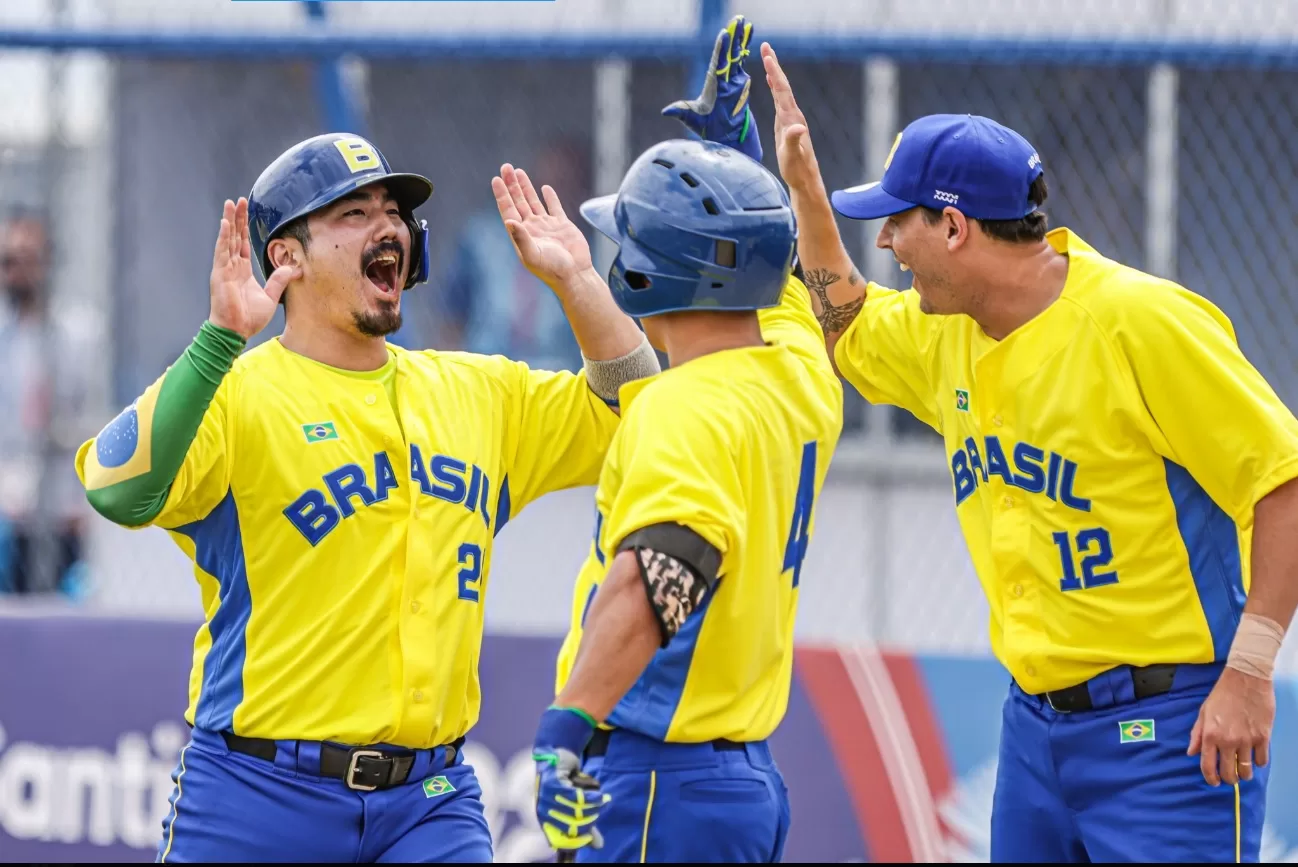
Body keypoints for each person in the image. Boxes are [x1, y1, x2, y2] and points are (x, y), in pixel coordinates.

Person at [761, 42, 1298, 863]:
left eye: (898, 222)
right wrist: (803, 190)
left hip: (1172, 733)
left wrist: (1252, 671)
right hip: (1035, 729)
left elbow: (1281, 480)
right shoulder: (947, 331)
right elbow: (847, 326)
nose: (887, 245)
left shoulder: (1141, 323)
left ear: (953, 226)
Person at [75, 132, 659, 862]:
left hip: (431, 803)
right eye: (352, 213)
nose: (387, 225)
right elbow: (116, 488)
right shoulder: (235, 394)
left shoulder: (477, 393)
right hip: (257, 793)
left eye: (392, 210)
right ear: (287, 256)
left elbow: (641, 417)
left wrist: (578, 282)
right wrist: (220, 339)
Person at [529, 18, 845, 863]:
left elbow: (660, 576)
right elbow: (772, 280)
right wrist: (738, 150)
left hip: (655, 781)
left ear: (649, 274)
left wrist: (569, 723)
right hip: (740, 780)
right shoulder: (802, 374)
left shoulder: (681, 405)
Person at [0, 210, 99, 595]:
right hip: (7, 511)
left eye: (28, 260)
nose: (16, 272)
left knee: (59, 611)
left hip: (60, 507)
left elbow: (93, 417)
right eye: (8, 261)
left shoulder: (78, 335)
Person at [434, 139, 589, 372]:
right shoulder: (481, 238)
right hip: (485, 371)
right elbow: (452, 316)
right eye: (545, 188)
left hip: (559, 376)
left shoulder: (588, 251)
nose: (557, 195)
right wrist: (447, 375)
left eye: (566, 186)